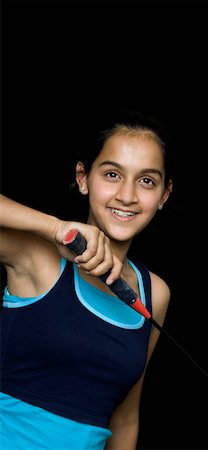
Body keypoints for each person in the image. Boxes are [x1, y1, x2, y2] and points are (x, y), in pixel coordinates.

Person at [0, 110, 173, 450]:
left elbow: (124, 418)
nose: (127, 195)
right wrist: (54, 229)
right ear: (83, 178)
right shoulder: (37, 257)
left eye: (147, 181)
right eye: (112, 174)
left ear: (164, 196)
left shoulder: (156, 294)